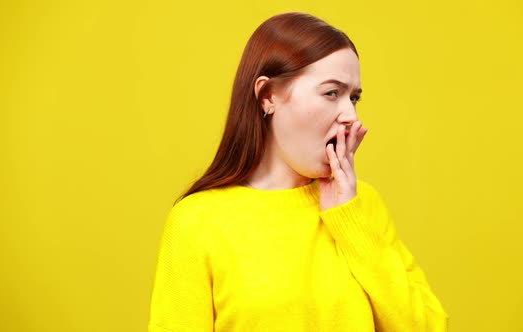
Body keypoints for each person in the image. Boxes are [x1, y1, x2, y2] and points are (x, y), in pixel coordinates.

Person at [148, 12, 448, 332]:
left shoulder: (363, 205)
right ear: (268, 96)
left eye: (354, 97)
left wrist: (350, 221)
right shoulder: (198, 221)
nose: (350, 114)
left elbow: (427, 327)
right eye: (332, 93)